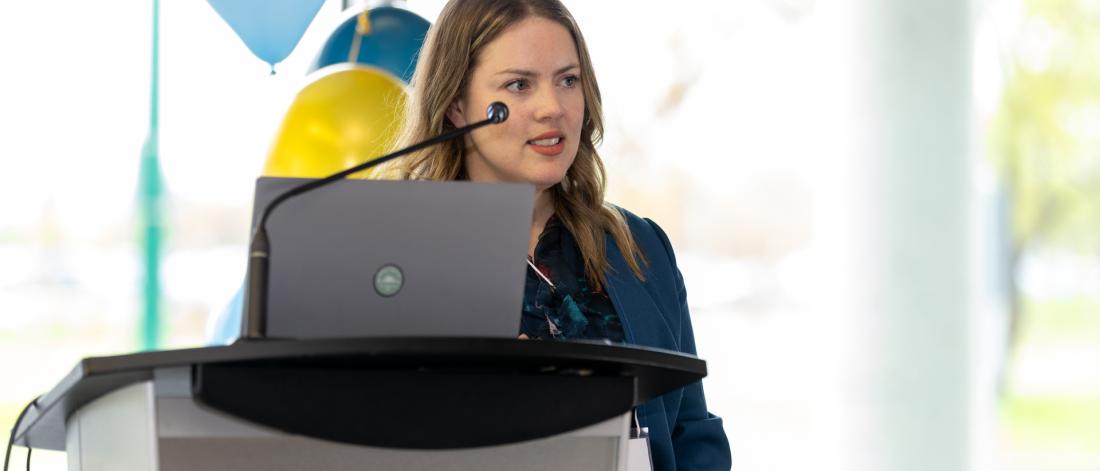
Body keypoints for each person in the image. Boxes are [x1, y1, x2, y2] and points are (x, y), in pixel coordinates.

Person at [387, 1, 732, 469]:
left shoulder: (641, 246)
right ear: (454, 104)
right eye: (519, 85)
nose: (552, 107)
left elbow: (692, 436)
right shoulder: (391, 251)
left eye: (568, 80)